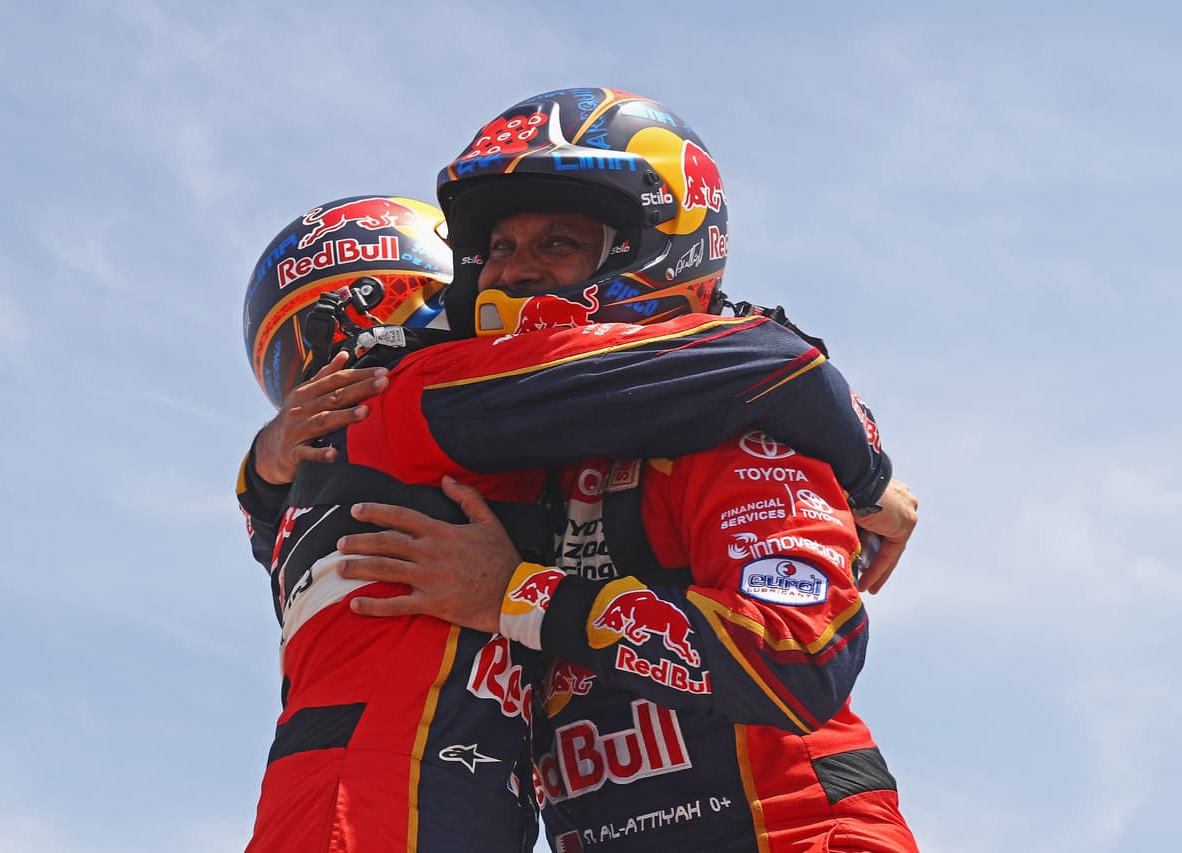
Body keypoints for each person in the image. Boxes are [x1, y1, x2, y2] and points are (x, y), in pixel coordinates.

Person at [326, 88, 919, 850]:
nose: (514, 275)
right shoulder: (518, 451)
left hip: (796, 831)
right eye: (500, 248)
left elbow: (800, 651)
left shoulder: (734, 422)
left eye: (556, 244)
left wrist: (514, 593)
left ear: (656, 245)